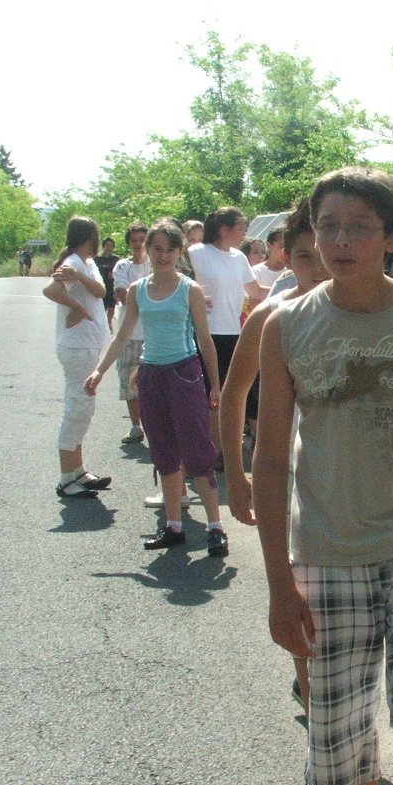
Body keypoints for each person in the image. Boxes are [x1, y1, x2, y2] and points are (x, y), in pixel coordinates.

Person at [251, 166, 393, 785]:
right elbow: (269, 460)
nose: (340, 242)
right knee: (336, 734)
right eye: (328, 227)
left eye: (359, 228)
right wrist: (278, 584)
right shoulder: (286, 326)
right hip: (328, 545)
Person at [222, 197, 330, 716]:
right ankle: (312, 702)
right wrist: (235, 474)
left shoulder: (363, 314)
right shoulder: (272, 314)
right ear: (287, 258)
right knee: (300, 594)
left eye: (323, 254)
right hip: (283, 474)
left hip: (338, 478)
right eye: (304, 256)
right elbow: (233, 392)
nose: (317, 267)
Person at [85, 218, 229, 557]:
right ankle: (174, 526)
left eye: (169, 249)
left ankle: (215, 527)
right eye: (156, 249)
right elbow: (121, 337)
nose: (162, 255)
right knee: (163, 451)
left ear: (179, 252)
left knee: (197, 453)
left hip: (184, 373)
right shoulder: (138, 291)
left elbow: (205, 340)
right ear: (147, 250)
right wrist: (98, 372)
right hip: (152, 376)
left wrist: (215, 385)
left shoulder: (188, 289)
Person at [42, 216, 112, 499]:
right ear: (91, 236)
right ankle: (66, 478)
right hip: (77, 347)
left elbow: (100, 291)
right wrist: (78, 308)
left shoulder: (85, 263)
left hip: (88, 345)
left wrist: (82, 287)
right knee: (77, 407)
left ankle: (78, 470)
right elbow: (50, 289)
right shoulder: (71, 261)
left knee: (85, 408)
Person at [187, 206, 259, 464]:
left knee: (230, 393)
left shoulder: (239, 257)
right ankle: (215, 451)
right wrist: (192, 296)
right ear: (224, 229)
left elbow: (256, 291)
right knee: (211, 393)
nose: (244, 234)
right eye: (241, 228)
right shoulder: (197, 252)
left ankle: (225, 449)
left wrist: (292, 283)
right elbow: (176, 279)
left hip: (233, 332)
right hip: (206, 331)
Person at [112, 222, 150, 446]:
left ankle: (154, 425)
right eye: (134, 240)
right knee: (129, 381)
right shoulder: (122, 266)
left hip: (152, 334)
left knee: (151, 383)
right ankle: (136, 427)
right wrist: (149, 298)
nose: (138, 244)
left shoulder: (153, 265)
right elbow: (123, 294)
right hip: (129, 333)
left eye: (142, 239)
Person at [249, 226, 287, 303]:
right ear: (269, 246)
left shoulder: (294, 271)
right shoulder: (256, 271)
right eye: (281, 247)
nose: (285, 251)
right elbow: (252, 303)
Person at [95, 237, 120, 330]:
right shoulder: (97, 259)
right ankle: (101, 326)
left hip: (111, 288)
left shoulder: (116, 259)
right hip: (100, 287)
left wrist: (113, 275)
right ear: (103, 246)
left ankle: (108, 322)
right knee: (101, 308)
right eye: (107, 245)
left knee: (111, 309)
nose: (109, 248)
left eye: (111, 246)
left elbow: (120, 273)